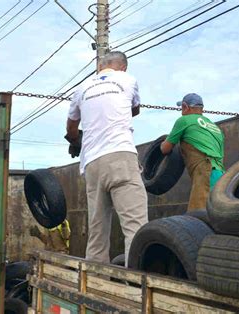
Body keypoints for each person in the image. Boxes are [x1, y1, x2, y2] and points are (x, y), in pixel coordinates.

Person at [65, 51, 148, 265]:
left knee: (97, 228)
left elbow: (71, 127)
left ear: (100, 67)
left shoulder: (82, 88)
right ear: (123, 67)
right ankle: (135, 285)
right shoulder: (128, 80)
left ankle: (94, 278)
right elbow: (134, 110)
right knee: (135, 226)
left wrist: (76, 140)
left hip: (92, 162)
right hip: (121, 155)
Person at [160, 93, 225, 212]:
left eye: (181, 108)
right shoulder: (215, 128)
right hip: (222, 177)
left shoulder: (184, 120)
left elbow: (166, 148)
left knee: (198, 217)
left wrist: (161, 144)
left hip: (205, 174)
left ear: (185, 107)